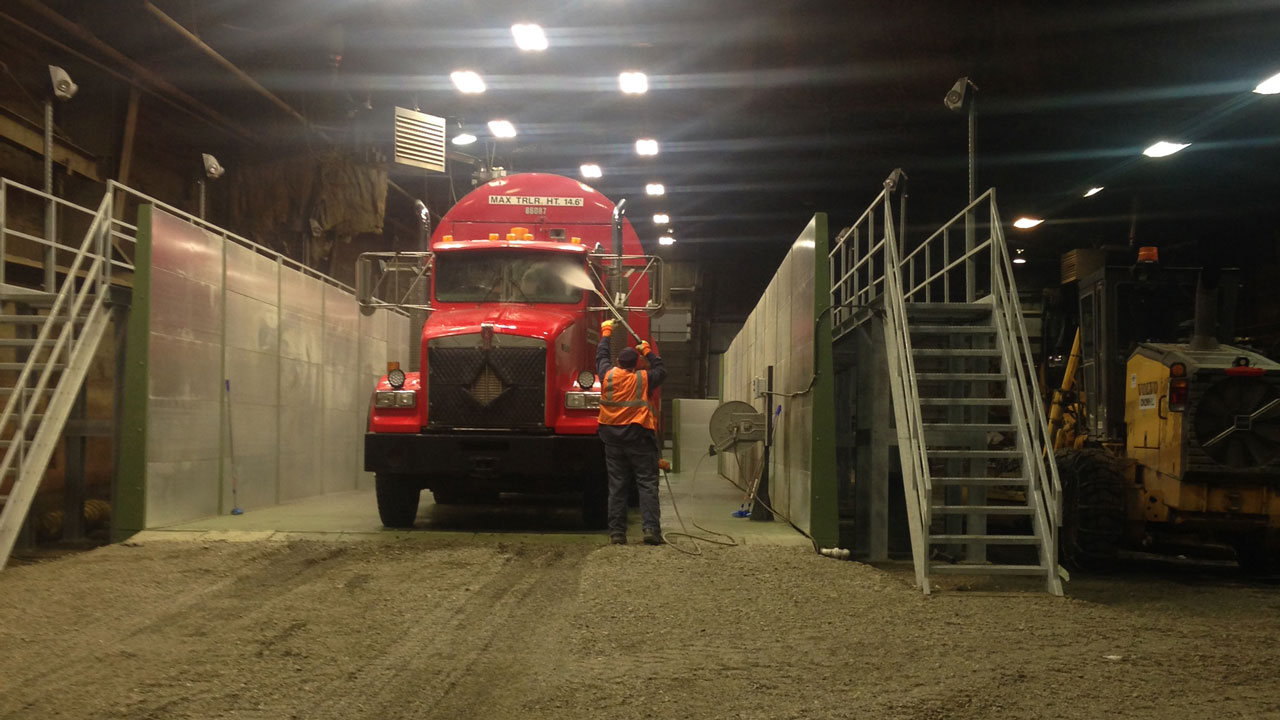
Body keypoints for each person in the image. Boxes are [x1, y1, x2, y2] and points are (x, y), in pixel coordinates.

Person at [596, 318, 666, 545]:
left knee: (617, 486)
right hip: (639, 439)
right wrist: (648, 351)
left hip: (612, 441)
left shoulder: (607, 375)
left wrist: (606, 332)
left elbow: (601, 356)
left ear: (617, 362)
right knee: (647, 483)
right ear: (636, 364)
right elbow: (661, 371)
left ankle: (617, 533)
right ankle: (651, 530)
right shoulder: (643, 379)